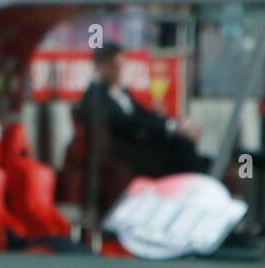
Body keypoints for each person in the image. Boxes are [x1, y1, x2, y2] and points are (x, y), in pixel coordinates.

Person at [78, 43, 209, 178]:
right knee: (182, 148)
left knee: (192, 151)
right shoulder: (95, 96)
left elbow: (144, 115)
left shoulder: (122, 92)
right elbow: (128, 122)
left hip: (142, 144)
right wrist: (170, 127)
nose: (119, 70)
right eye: (115, 65)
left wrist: (174, 123)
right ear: (101, 66)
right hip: (127, 153)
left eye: (121, 65)